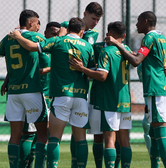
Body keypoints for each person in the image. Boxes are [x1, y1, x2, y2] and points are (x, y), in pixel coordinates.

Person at [8, 17, 93, 168]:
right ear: (81, 32)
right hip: (80, 97)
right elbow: (93, 69)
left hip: (61, 96)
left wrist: (18, 36)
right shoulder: (87, 46)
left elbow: (32, 47)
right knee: (81, 139)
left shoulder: (57, 41)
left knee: (54, 138)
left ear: (67, 29)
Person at [105, 11, 166, 168]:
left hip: (157, 89)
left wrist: (117, 44)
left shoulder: (149, 37)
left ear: (145, 21)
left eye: (138, 21)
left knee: (159, 130)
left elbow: (136, 61)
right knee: (153, 132)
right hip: (164, 87)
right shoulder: (162, 37)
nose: (136, 25)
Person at [69, 21, 132, 168]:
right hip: (124, 99)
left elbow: (102, 76)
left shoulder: (106, 51)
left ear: (108, 35)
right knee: (123, 140)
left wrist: (82, 68)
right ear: (124, 36)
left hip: (108, 100)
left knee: (108, 138)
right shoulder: (127, 50)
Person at [0, 9, 48, 168]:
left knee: (15, 136)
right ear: (31, 22)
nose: (38, 27)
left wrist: (8, 37)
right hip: (32, 91)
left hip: (14, 93)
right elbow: (50, 49)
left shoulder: (9, 37)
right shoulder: (36, 37)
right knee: (43, 133)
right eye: (37, 23)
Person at [61, 2, 104, 168]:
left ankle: (76, 164)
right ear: (85, 14)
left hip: (81, 84)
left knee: (78, 128)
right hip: (63, 84)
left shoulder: (93, 33)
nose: (95, 23)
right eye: (93, 18)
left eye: (98, 20)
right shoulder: (67, 26)